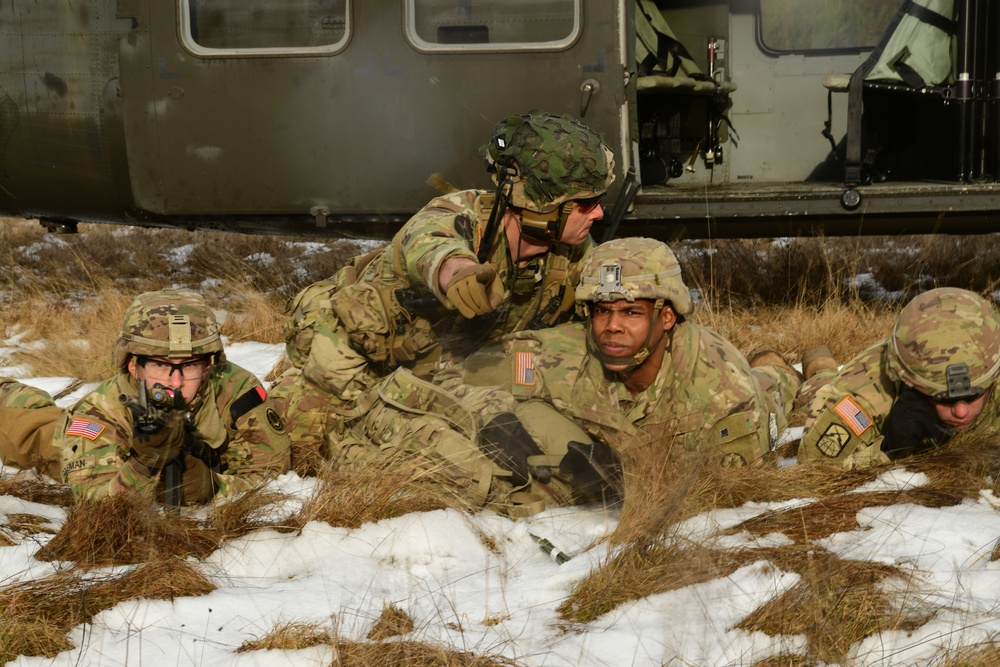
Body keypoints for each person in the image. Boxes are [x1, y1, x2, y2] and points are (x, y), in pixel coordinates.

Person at [329, 237, 801, 514]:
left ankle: (795, 366)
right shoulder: (564, 352)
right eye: (601, 312)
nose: (612, 327)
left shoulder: (722, 400)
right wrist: (494, 415)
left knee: (783, 385)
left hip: (756, 394)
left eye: (632, 313)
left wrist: (626, 478)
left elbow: (721, 499)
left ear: (667, 317)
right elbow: (460, 376)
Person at [272, 111, 616, 467]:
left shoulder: (573, 254)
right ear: (540, 206)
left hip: (446, 374)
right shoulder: (460, 214)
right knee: (304, 456)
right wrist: (458, 272)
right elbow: (431, 242)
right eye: (586, 204)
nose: (599, 215)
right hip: (350, 365)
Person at [56, 289, 291, 504]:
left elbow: (270, 474)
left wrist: (209, 485)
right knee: (29, 426)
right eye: (160, 365)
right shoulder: (99, 411)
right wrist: (143, 464)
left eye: (189, 366)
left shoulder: (235, 388)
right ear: (133, 366)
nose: (175, 382)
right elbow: (96, 504)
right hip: (59, 443)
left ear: (208, 367)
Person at [797, 287, 1000, 467]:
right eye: (943, 398)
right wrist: (888, 450)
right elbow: (815, 468)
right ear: (910, 382)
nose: (961, 411)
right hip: (854, 378)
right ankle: (820, 368)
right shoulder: (864, 392)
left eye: (974, 395)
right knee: (816, 387)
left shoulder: (990, 360)